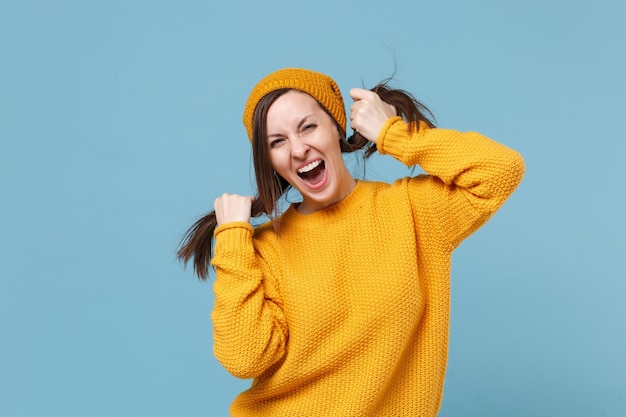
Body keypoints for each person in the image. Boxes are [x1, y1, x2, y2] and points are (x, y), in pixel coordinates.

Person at [177, 68, 525, 416]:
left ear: (336, 126)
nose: (298, 149)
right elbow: (245, 358)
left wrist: (393, 134)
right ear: (268, 160)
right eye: (277, 141)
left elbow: (500, 169)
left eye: (307, 126)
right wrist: (233, 242)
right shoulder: (265, 249)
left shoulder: (413, 211)